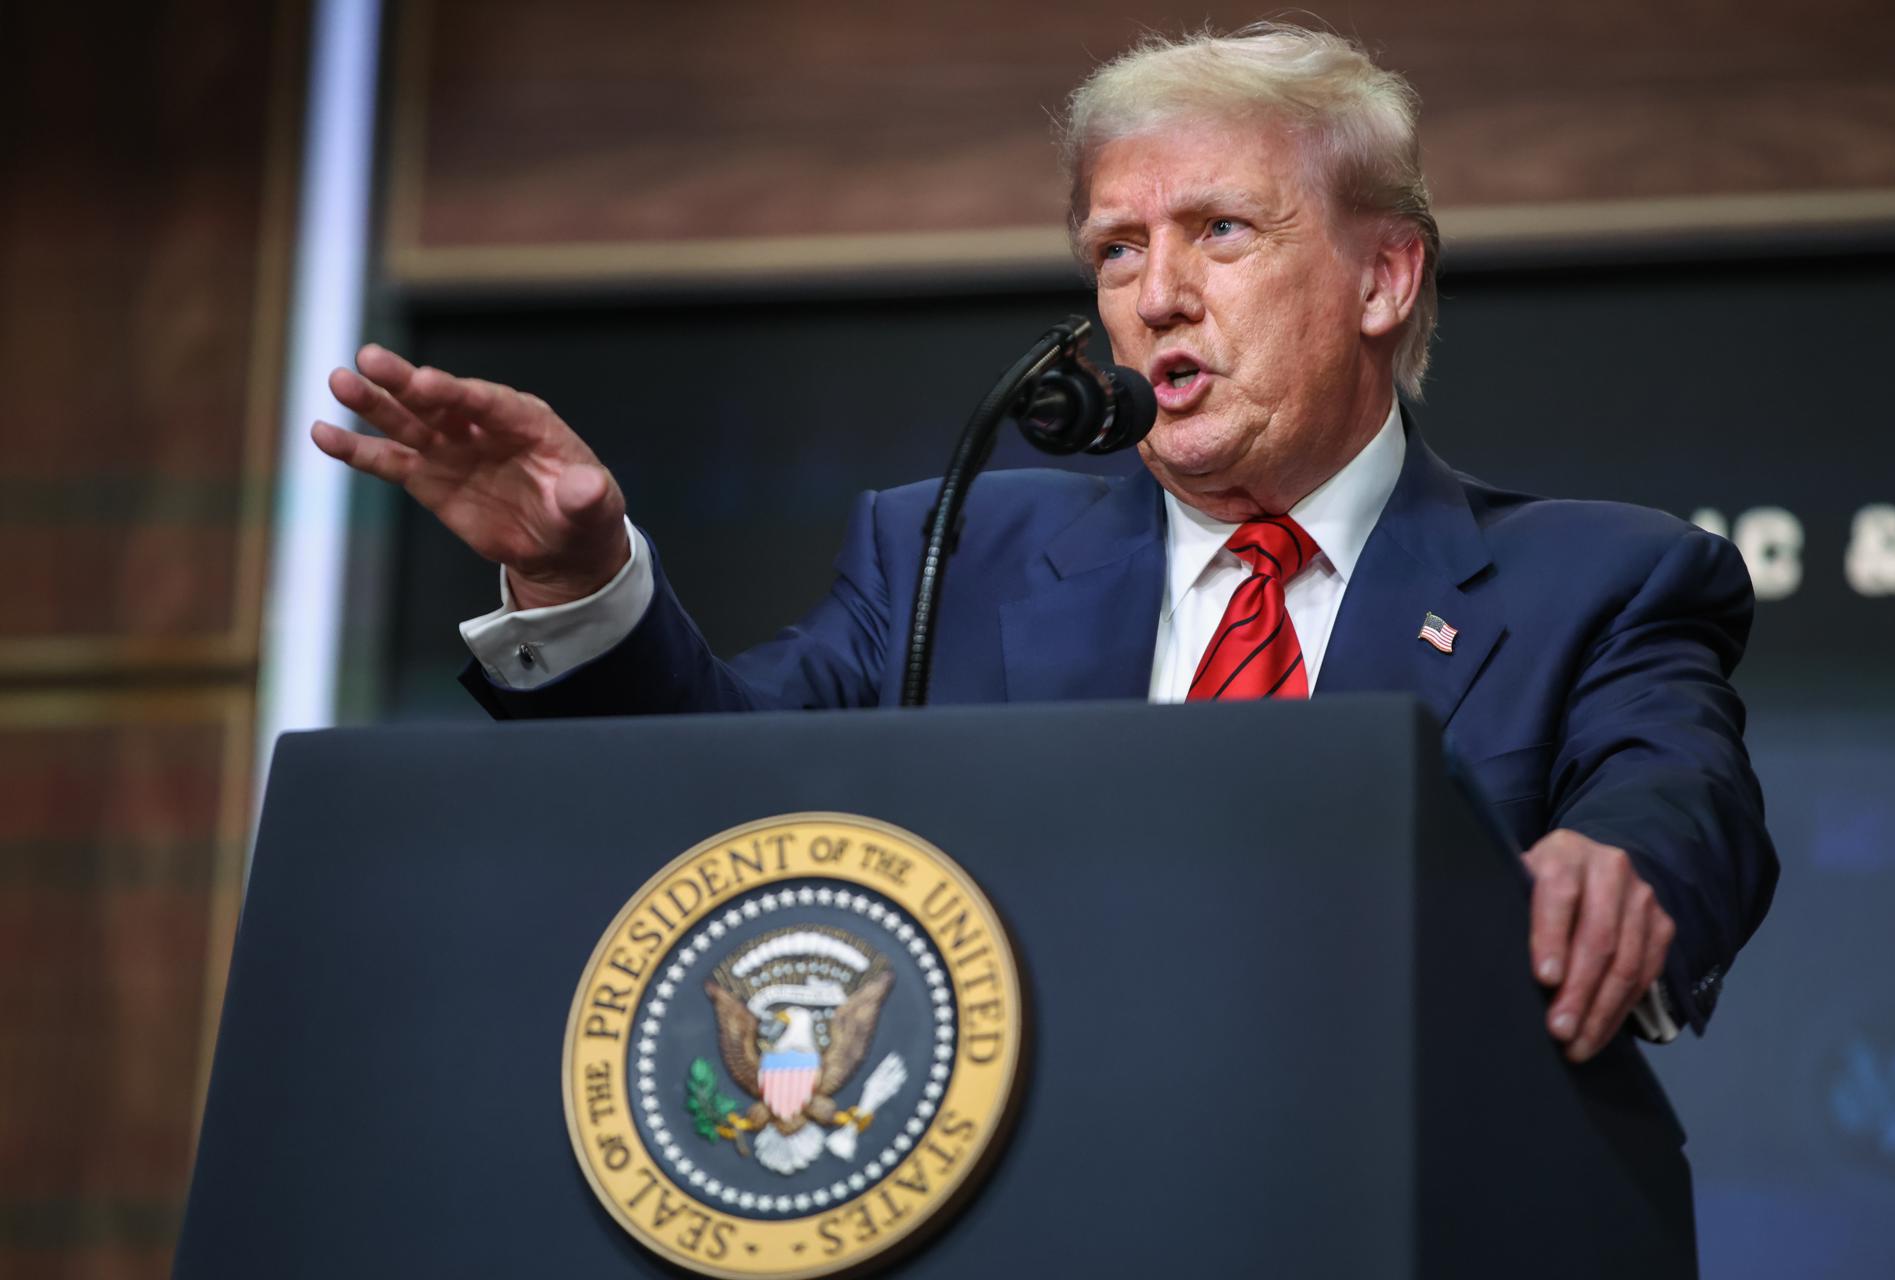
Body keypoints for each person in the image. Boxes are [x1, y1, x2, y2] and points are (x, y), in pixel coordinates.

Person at [312, 26, 1774, 1074]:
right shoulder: (949, 552)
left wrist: (1621, 862)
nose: (1157, 297)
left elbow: (1682, 796)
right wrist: (580, 579)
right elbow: (720, 796)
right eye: (1116, 249)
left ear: (1384, 277)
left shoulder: (1600, 582)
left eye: (1220, 231)